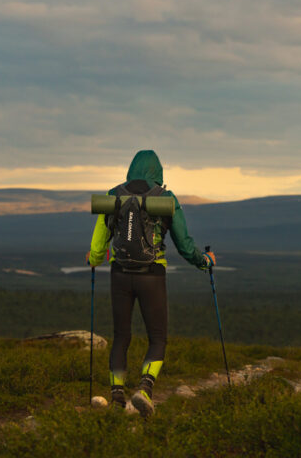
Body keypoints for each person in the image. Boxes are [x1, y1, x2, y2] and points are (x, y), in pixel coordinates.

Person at [86, 150, 215, 416]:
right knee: (157, 337)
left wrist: (94, 259)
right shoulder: (165, 199)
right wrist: (205, 261)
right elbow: (184, 245)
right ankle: (144, 389)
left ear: (131, 169)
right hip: (152, 275)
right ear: (158, 172)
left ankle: (117, 397)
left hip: (119, 273)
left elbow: (99, 242)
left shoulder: (113, 195)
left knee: (121, 336)